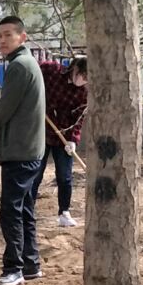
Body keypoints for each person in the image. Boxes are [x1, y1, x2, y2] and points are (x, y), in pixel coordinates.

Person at [0, 14, 46, 285]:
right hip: (29, 150)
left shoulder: (20, 66)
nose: (2, 40)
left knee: (11, 211)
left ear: (23, 37)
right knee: (24, 209)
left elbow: (4, 107)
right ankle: (30, 263)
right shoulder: (26, 63)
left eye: (8, 34)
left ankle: (14, 268)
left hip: (21, 151)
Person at [41, 55, 88, 227]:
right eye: (83, 76)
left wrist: (73, 139)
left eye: (87, 79)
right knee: (35, 173)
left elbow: (79, 119)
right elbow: (31, 71)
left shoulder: (84, 93)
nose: (84, 81)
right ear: (75, 69)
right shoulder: (52, 70)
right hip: (41, 130)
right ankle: (27, 209)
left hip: (64, 137)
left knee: (65, 176)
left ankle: (64, 212)